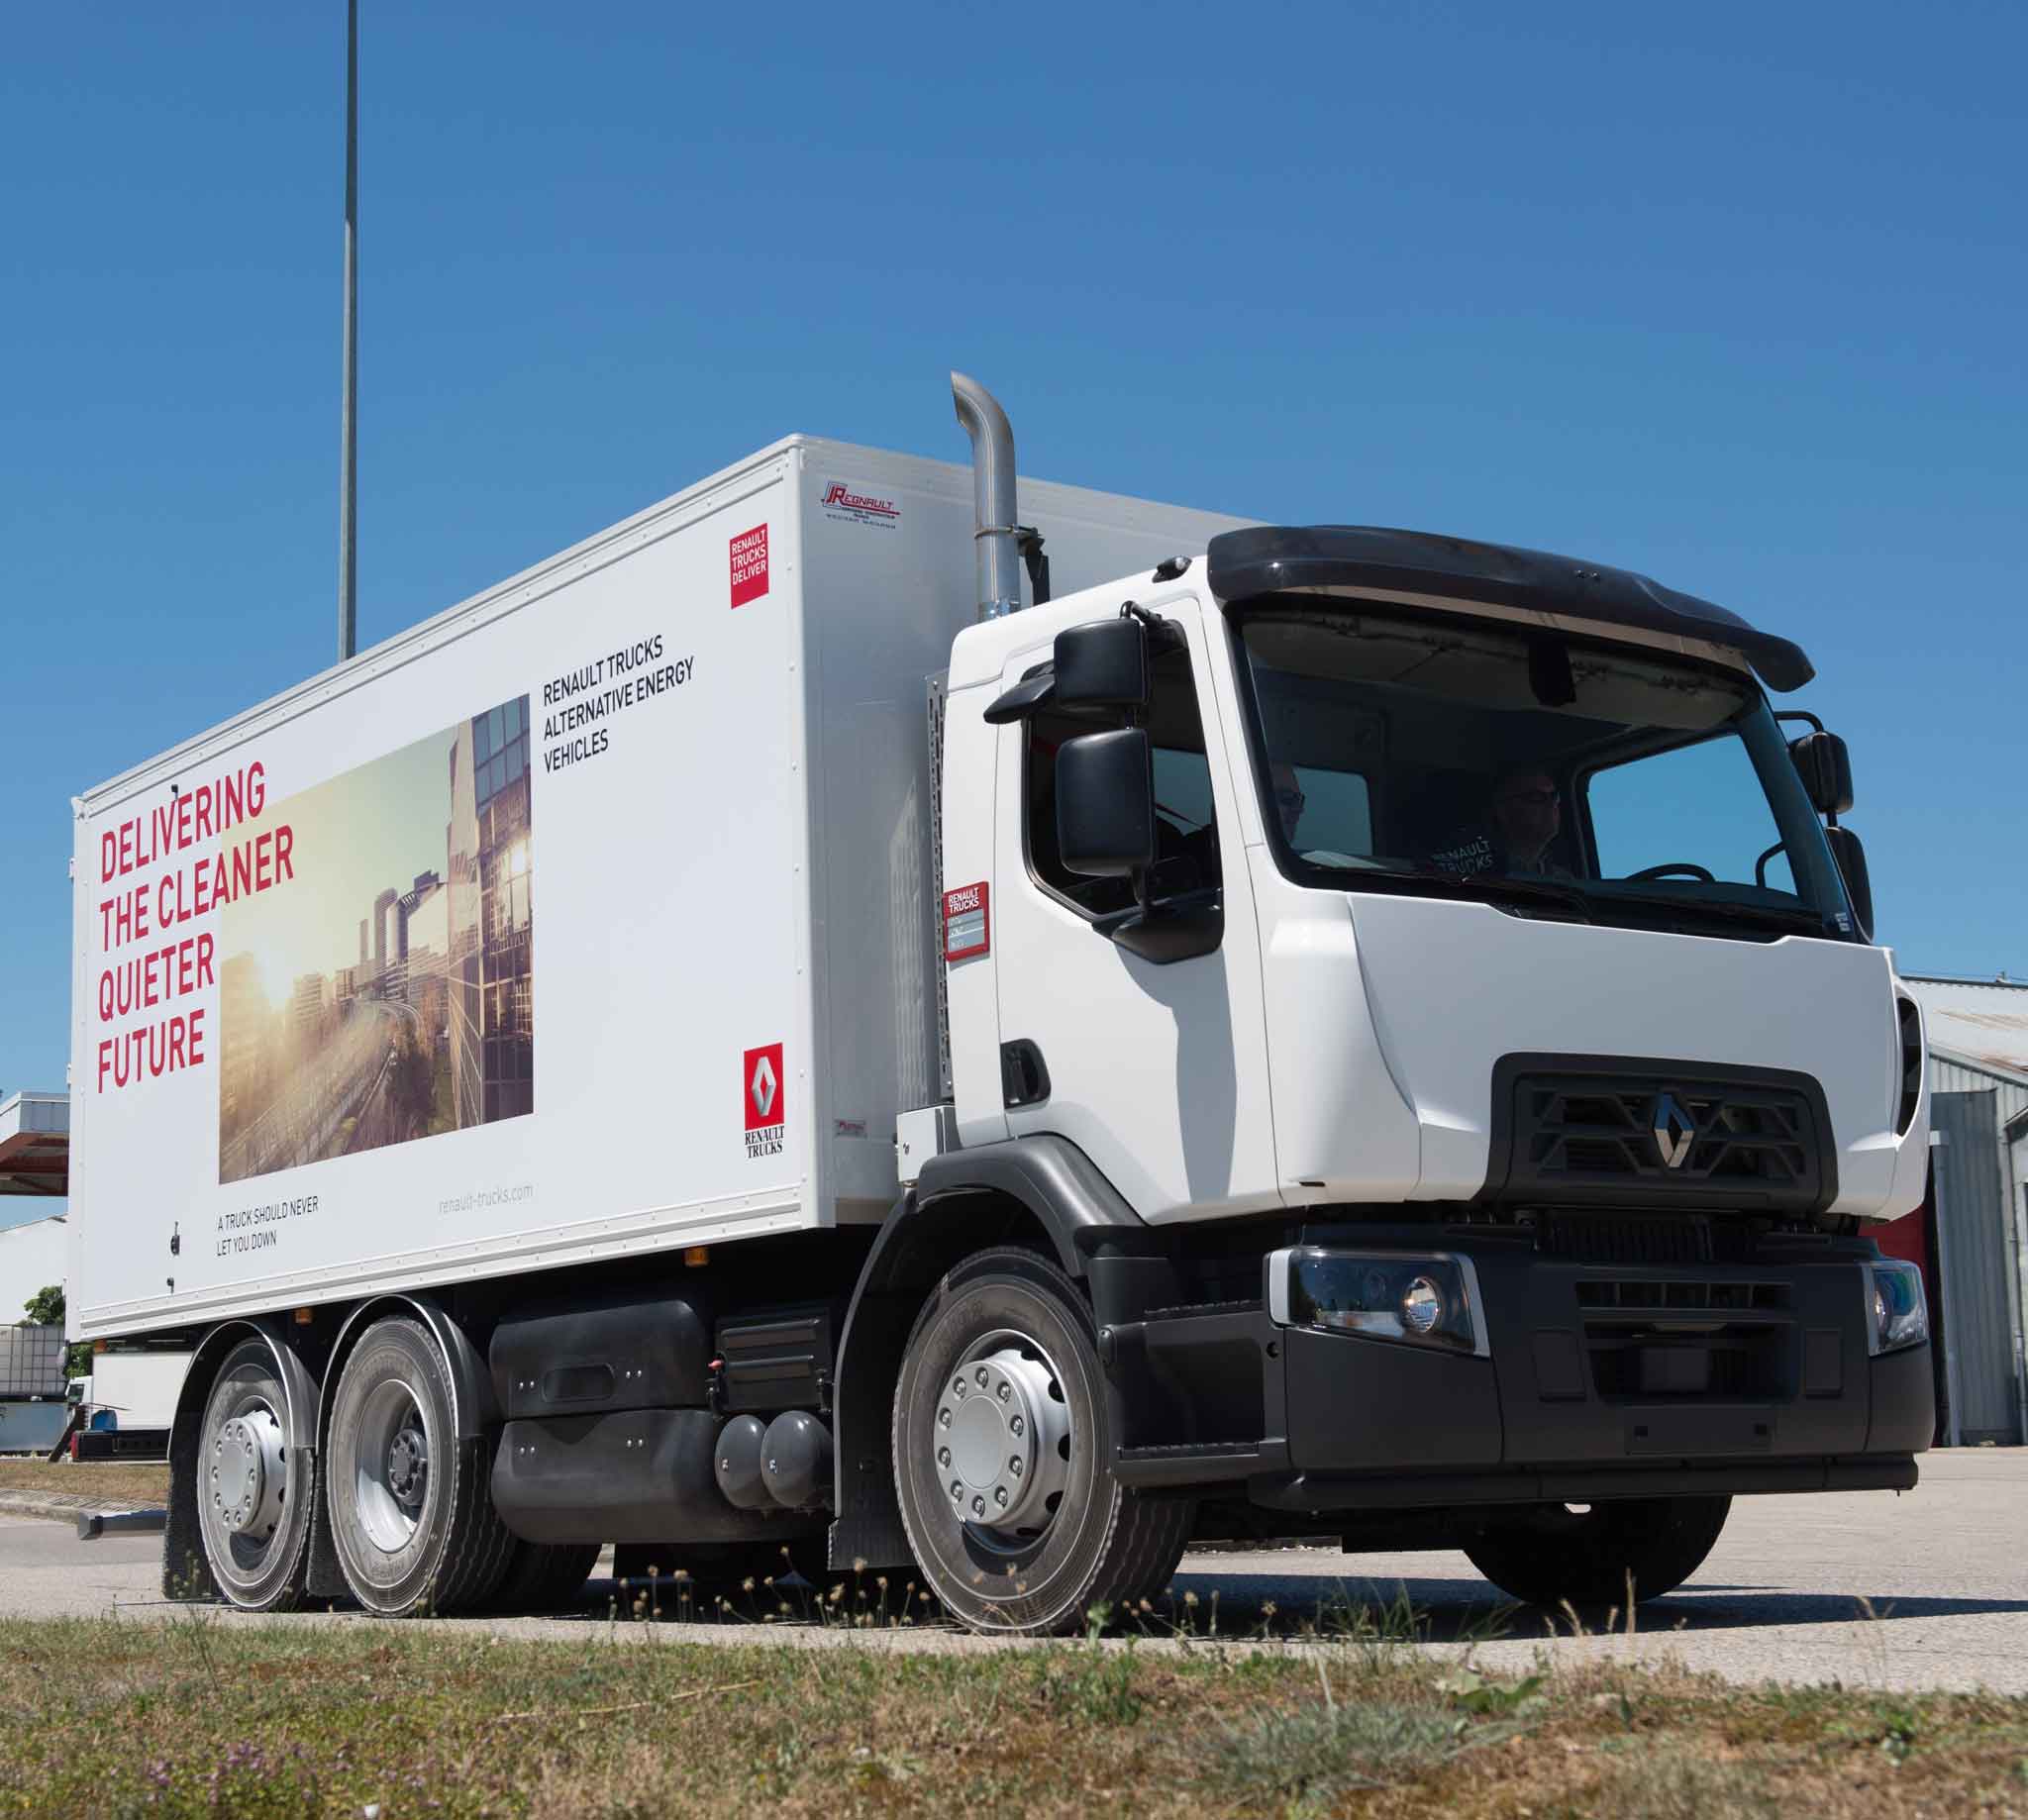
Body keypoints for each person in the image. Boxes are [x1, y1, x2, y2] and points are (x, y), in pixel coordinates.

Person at [1428, 768, 1574, 878]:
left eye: (1554, 796)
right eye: (1536, 797)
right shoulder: (1470, 872)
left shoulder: (1563, 880)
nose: (1551, 804)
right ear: (1502, 810)